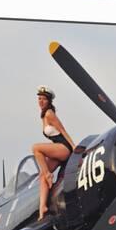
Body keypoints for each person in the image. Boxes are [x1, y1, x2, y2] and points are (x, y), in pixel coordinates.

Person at [32, 86, 76, 221]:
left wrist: (74, 147)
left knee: (36, 148)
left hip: (64, 148)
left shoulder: (49, 114)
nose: (41, 101)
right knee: (41, 177)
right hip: (58, 148)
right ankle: (42, 208)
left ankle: (48, 174)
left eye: (44, 99)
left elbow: (62, 131)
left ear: (49, 101)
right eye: (39, 99)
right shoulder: (43, 116)